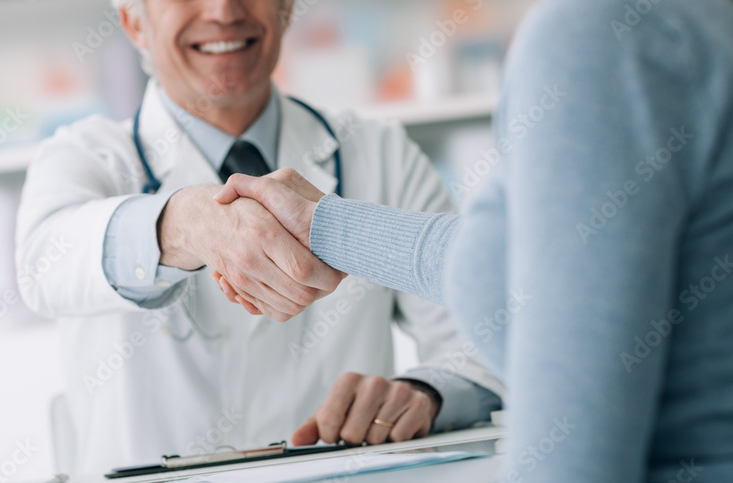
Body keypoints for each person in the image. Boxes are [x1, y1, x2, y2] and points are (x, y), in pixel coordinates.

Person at [214, 0, 733, 481]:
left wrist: (429, 390)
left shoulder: (601, 36)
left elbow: (573, 456)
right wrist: (325, 226)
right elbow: (556, 266)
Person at [15, 0, 502, 474]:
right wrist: (183, 222)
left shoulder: (377, 152)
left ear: (287, 9)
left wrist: (427, 392)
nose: (224, 11)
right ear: (135, 24)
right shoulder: (85, 157)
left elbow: (488, 331)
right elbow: (42, 264)